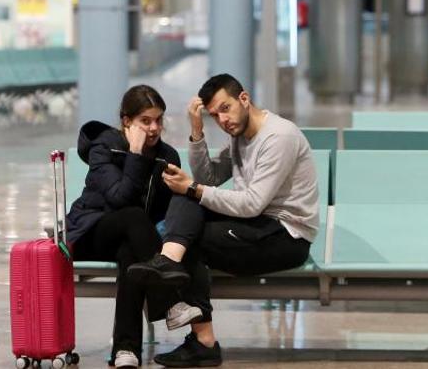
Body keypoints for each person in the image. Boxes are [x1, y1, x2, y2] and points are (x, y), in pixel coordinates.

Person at [127, 74, 319, 368]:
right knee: (187, 199)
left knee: (195, 230)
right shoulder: (240, 136)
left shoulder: (279, 137)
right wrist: (196, 131)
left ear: (244, 99)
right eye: (215, 115)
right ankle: (170, 260)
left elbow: (253, 204)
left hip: (285, 235)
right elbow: (209, 177)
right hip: (257, 226)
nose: (223, 119)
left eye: (225, 108)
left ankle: (203, 341)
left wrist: (193, 188)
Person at [64, 85, 180, 368]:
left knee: (132, 252)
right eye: (146, 121)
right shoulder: (104, 146)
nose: (154, 128)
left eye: (159, 120)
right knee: (133, 215)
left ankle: (125, 351)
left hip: (136, 241)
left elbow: (166, 211)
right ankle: (171, 303)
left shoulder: (167, 156)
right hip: (91, 231)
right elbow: (119, 197)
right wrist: (136, 153)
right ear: (126, 120)